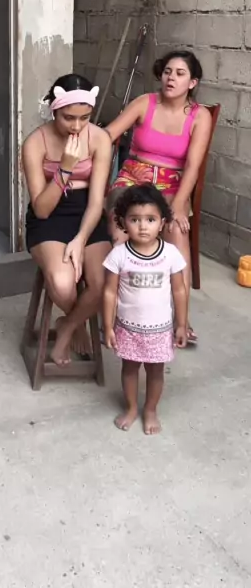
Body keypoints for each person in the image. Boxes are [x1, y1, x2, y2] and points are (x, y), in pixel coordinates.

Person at [105, 50, 212, 346]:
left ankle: (181, 318)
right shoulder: (145, 103)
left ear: (192, 82)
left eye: (180, 73)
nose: (171, 78)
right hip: (133, 177)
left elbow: (193, 166)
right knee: (121, 228)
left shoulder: (200, 116)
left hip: (172, 184)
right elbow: (109, 134)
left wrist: (177, 206)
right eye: (167, 72)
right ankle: (118, 314)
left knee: (176, 231)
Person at [22, 74, 112, 367]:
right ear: (54, 110)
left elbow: (97, 202)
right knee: (62, 285)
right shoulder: (35, 142)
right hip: (50, 216)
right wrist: (65, 169)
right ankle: (80, 323)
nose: (76, 126)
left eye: (84, 118)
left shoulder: (99, 139)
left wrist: (80, 240)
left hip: (88, 215)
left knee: (104, 282)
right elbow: (42, 209)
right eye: (68, 118)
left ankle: (67, 326)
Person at [103, 184, 188, 435]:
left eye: (150, 219)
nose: (142, 226)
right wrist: (108, 326)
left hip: (160, 330)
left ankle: (150, 410)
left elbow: (179, 290)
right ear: (123, 223)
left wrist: (181, 324)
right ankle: (131, 408)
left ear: (162, 223)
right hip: (128, 328)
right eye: (135, 219)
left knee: (155, 371)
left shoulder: (170, 254)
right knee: (129, 369)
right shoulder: (119, 255)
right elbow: (109, 292)